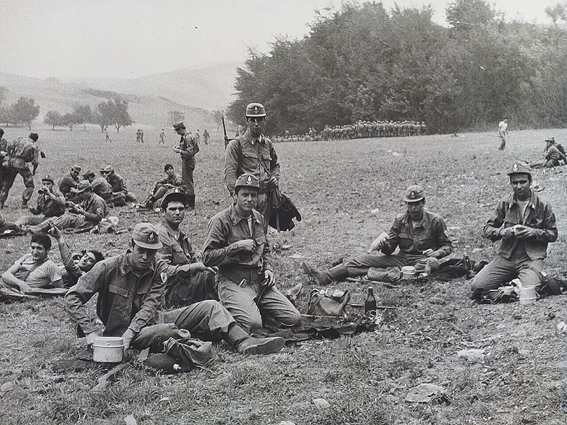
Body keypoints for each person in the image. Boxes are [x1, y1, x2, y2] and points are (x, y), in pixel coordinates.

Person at [64, 223, 285, 356]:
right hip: (121, 335)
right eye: (141, 250)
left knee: (211, 307)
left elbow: (149, 307)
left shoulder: (156, 269)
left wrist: (133, 332)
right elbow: (72, 297)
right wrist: (90, 332)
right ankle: (190, 340)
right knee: (167, 331)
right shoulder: (107, 267)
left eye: (151, 252)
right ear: (130, 246)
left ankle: (244, 342)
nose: (146, 257)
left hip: (148, 323)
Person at [202, 173, 301, 332]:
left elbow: (265, 249)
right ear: (235, 196)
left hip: (259, 282)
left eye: (253, 195)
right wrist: (237, 246)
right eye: (245, 195)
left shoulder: (259, 218)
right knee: (254, 325)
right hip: (233, 282)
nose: (249, 199)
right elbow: (207, 258)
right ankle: (229, 306)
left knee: (294, 318)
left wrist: (268, 268)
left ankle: (251, 306)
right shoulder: (220, 221)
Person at [302, 185, 453, 285]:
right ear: (406, 204)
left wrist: (436, 253)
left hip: (421, 260)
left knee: (431, 263)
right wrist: (384, 245)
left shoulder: (435, 221)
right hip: (401, 259)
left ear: (423, 203)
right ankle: (325, 276)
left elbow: (447, 246)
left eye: (417, 203)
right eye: (410, 204)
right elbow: (390, 249)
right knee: (360, 260)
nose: (413, 208)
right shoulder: (400, 220)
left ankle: (385, 274)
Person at [470, 162, 558, 301]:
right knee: (478, 286)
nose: (519, 186)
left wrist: (533, 232)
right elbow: (487, 229)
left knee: (530, 290)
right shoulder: (505, 203)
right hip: (507, 257)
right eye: (515, 183)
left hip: (531, 259)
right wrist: (503, 232)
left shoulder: (543, 204)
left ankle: (521, 281)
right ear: (510, 183)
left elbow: (553, 234)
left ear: (530, 181)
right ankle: (513, 283)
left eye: (523, 182)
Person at [155, 190, 217, 307]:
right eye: (173, 209)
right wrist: (197, 267)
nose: (177, 213)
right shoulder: (161, 234)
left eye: (181, 209)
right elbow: (163, 272)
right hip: (169, 292)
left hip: (185, 284)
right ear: (163, 212)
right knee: (210, 276)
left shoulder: (180, 235)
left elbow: (193, 260)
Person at [225, 103, 280, 228]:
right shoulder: (236, 145)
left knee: (261, 232)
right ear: (247, 121)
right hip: (245, 199)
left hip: (264, 197)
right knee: (244, 232)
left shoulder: (268, 144)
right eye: (252, 120)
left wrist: (275, 177)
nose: (256, 124)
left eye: (260, 120)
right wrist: (236, 197)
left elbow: (275, 165)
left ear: (264, 121)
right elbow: (230, 173)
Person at [28, 180, 108, 233]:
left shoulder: (97, 200)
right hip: (84, 219)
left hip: (90, 223)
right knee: (57, 218)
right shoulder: (88, 198)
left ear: (88, 191)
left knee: (66, 218)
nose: (80, 195)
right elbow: (84, 207)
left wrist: (83, 213)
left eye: (82, 193)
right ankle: (35, 228)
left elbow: (99, 218)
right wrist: (74, 206)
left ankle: (40, 229)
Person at [0, 133, 41, 209]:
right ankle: (24, 203)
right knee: (30, 185)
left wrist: (10, 156)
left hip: (11, 162)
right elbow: (35, 162)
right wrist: (34, 171)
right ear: (36, 139)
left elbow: (9, 146)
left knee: (7, 184)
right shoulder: (34, 146)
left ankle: (1, 203)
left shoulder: (19, 140)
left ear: (29, 136)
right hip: (22, 164)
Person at [173, 122, 199, 210]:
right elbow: (196, 149)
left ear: (181, 129)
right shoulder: (191, 136)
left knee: (188, 182)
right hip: (188, 161)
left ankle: (191, 204)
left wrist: (179, 151)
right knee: (185, 181)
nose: (177, 133)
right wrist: (181, 148)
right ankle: (187, 202)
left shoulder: (187, 138)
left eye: (177, 131)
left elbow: (189, 152)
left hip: (188, 161)